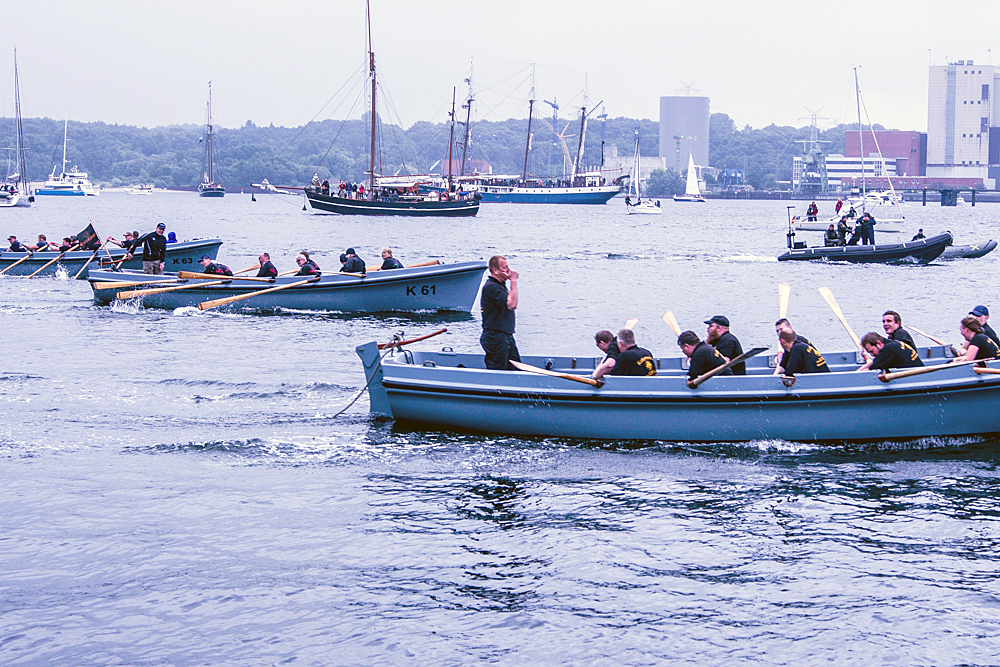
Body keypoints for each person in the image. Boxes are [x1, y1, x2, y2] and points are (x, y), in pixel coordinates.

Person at [480, 255, 519, 370]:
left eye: (508, 267)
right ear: (495, 270)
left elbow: (513, 302)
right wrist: (514, 281)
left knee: (515, 369)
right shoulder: (492, 287)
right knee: (499, 370)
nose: (508, 270)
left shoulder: (501, 287)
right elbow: (512, 304)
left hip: (506, 336)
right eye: (504, 268)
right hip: (495, 337)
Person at [858, 332, 923, 372]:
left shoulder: (888, 349)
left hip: (918, 376)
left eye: (872, 351)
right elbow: (873, 363)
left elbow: (871, 370)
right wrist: (856, 372)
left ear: (879, 343)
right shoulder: (891, 344)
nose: (872, 355)